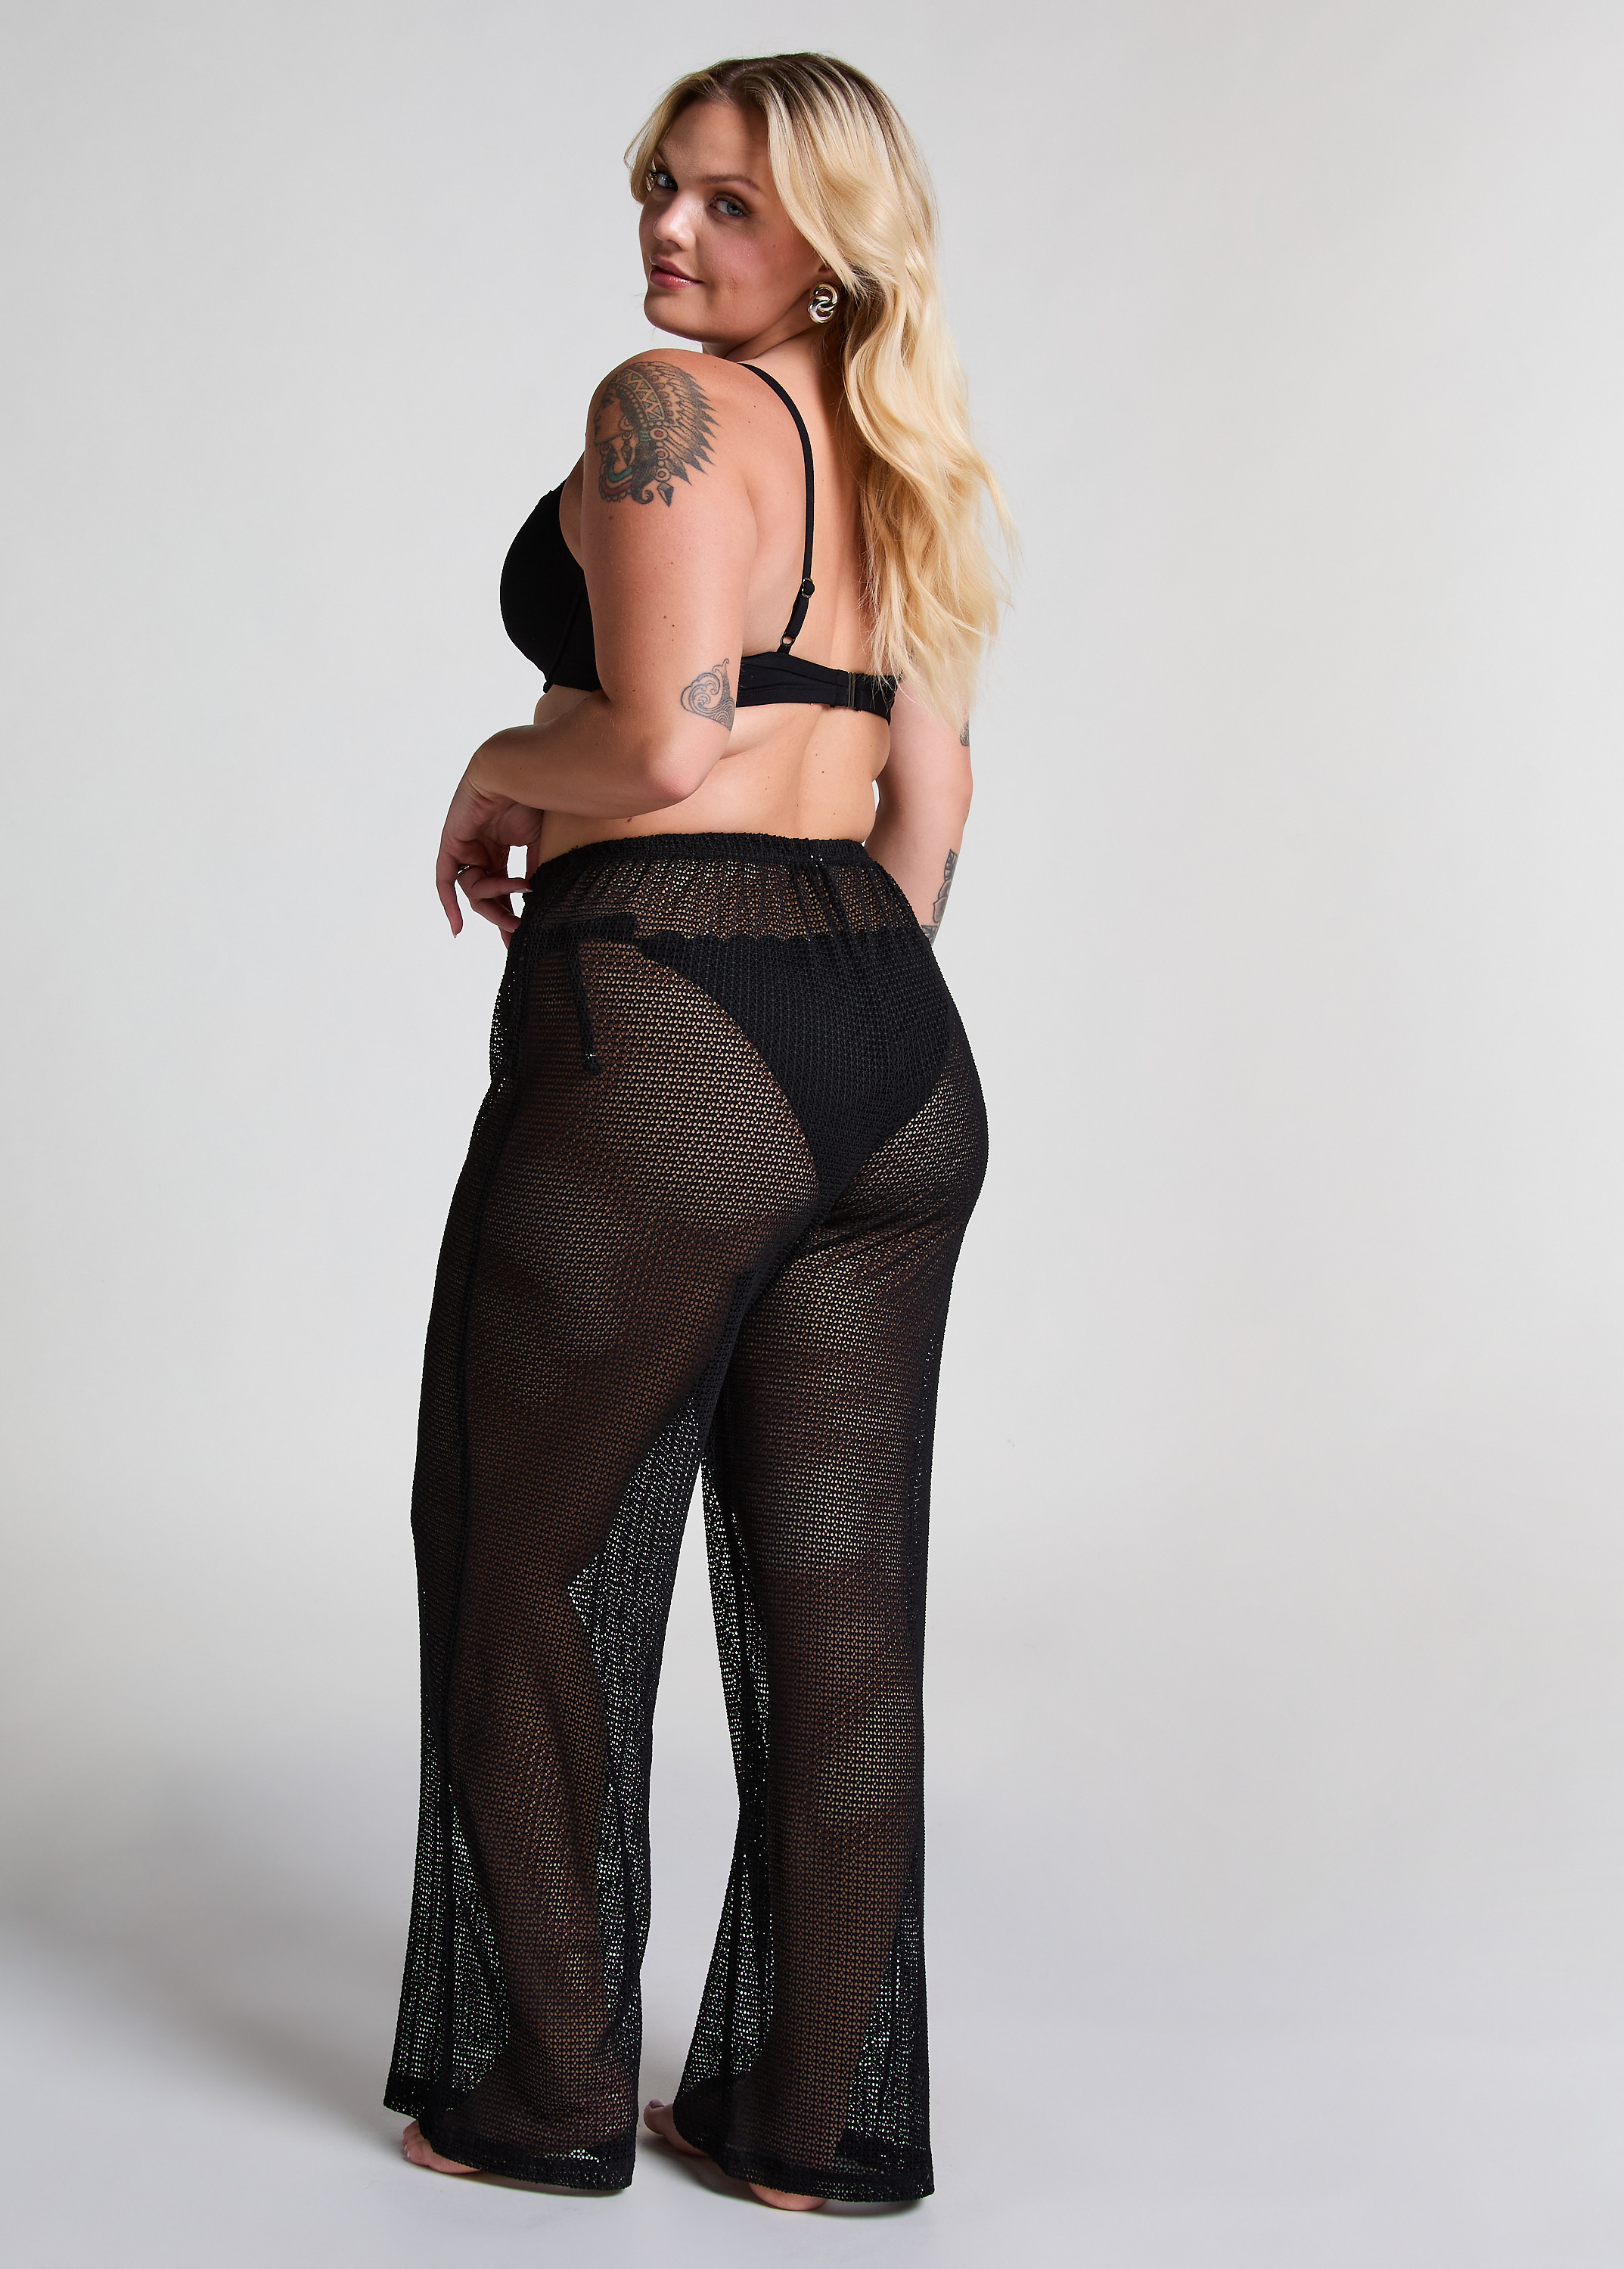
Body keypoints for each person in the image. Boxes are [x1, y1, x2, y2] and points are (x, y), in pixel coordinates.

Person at [386, 51, 1009, 2212]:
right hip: (889, 1040)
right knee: (837, 1604)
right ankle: (810, 2121)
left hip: (664, 1015)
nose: (670, 226)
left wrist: (498, 757)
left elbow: (658, 746)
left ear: (830, 235)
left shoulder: (664, 412)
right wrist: (827, 1019)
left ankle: (543, 2090)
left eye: (729, 201)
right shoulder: (909, 460)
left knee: (526, 1549)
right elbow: (931, 800)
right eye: (663, 183)